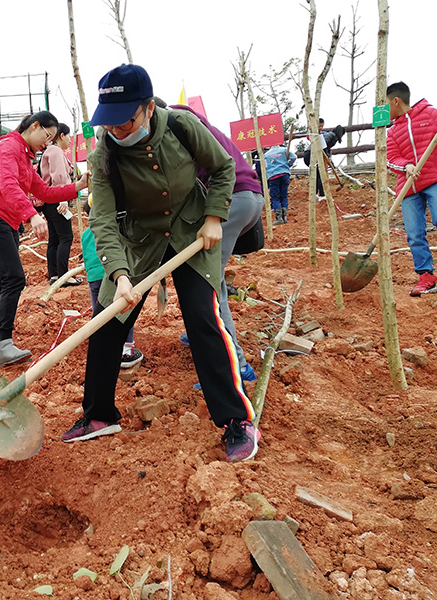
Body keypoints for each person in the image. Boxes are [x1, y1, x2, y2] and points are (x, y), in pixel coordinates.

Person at [61, 64, 258, 463]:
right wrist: (118, 274)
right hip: (143, 242)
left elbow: (222, 168)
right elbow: (102, 219)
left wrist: (215, 217)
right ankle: (99, 415)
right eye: (109, 123)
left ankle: (236, 420)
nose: (117, 130)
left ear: (148, 108)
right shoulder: (104, 155)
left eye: (125, 120)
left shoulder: (182, 127)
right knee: (108, 318)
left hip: (191, 233)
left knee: (203, 318)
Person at [162, 101, 264, 386]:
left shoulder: (176, 129)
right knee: (208, 279)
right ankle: (201, 331)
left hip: (233, 200)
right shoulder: (198, 124)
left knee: (207, 283)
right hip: (249, 198)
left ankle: (235, 365)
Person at [0, 111, 89, 367]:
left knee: (2, 282)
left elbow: (45, 191)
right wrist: (32, 216)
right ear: (34, 125)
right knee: (14, 279)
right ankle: (3, 343)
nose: (46, 144)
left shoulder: (26, 158)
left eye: (50, 140)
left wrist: (78, 186)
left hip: (5, 222)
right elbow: (8, 184)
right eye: (46, 136)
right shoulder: (8, 147)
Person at [386, 81, 437, 296]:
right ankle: (426, 276)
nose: (384, 108)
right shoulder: (392, 132)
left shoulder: (431, 115)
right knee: (415, 233)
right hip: (407, 188)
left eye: (386, 103)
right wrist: (406, 166)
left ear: (396, 101)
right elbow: (390, 158)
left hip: (434, 178)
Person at [81, 199, 143, 368]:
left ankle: (102, 347)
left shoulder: (87, 234)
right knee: (124, 311)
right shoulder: (116, 230)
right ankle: (126, 351)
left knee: (99, 312)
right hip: (113, 278)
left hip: (93, 278)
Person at [38, 123, 82, 286]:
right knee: (65, 237)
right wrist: (63, 199)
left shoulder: (47, 151)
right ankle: (63, 276)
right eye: (69, 136)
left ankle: (55, 274)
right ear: (62, 135)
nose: (70, 140)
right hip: (57, 199)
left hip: (49, 201)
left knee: (55, 238)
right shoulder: (55, 151)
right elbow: (59, 176)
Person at [303, 119, 344, 197]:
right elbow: (323, 145)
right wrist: (327, 156)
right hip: (312, 154)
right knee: (321, 174)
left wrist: (330, 161)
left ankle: (315, 194)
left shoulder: (329, 135)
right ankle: (321, 195)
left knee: (317, 174)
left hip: (311, 154)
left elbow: (327, 149)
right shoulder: (331, 135)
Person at [264, 145, 297, 225]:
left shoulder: (266, 155)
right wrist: (287, 165)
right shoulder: (284, 149)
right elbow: (294, 157)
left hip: (273, 176)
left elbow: (264, 166)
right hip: (285, 174)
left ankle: (279, 218)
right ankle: (284, 217)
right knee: (284, 195)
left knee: (275, 197)